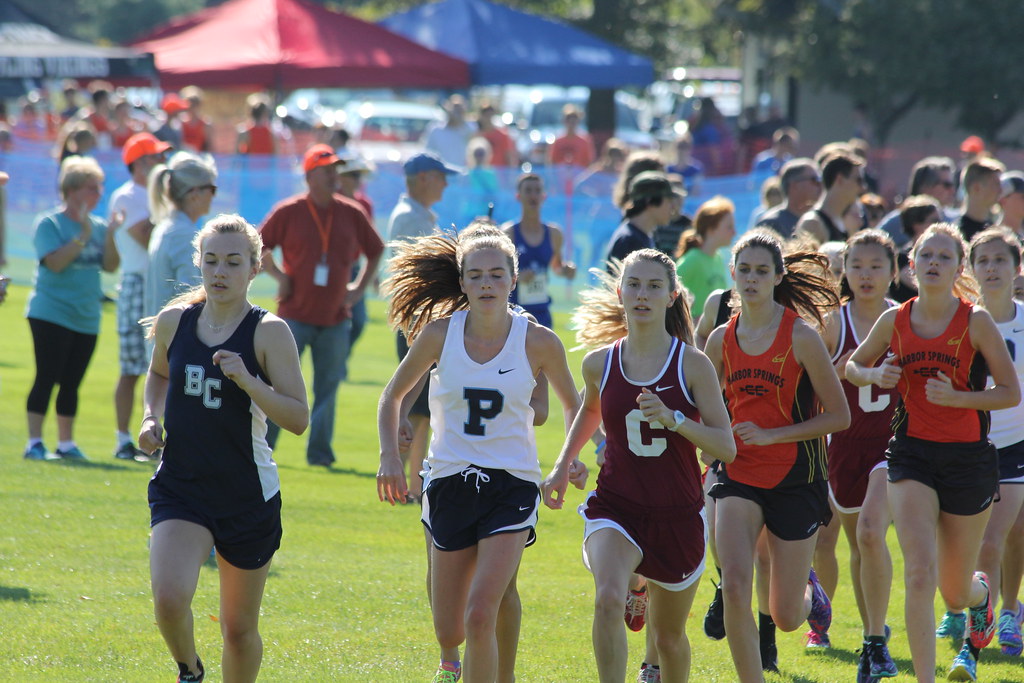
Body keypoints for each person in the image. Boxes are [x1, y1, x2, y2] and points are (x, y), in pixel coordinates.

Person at [376, 225, 584, 683]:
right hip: (448, 479)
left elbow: (576, 404)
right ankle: (451, 660)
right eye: (476, 276)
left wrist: (567, 460)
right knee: (449, 627)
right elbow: (391, 397)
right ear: (463, 282)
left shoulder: (538, 341)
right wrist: (390, 455)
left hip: (512, 485)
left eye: (496, 275)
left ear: (513, 280)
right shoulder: (438, 335)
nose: (486, 284)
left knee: (481, 612)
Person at [543, 248, 735, 683]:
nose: (642, 294)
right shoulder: (598, 363)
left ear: (671, 296)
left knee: (668, 640)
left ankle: (642, 588)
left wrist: (676, 419)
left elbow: (726, 447)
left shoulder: (693, 364)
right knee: (607, 599)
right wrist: (562, 464)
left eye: (653, 286)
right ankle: (631, 591)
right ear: (620, 291)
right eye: (634, 284)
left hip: (678, 515)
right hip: (617, 505)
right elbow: (589, 412)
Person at [138, 214, 308, 683]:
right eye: (211, 261)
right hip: (182, 487)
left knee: (238, 630)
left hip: (246, 496)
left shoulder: (268, 331)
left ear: (255, 268)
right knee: (169, 600)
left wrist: (248, 380)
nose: (220, 272)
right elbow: (158, 374)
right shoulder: (175, 322)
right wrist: (150, 416)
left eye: (233, 262)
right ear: (198, 263)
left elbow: (297, 419)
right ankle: (190, 670)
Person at [846, 222, 1019, 682]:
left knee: (955, 590)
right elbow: (852, 364)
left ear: (959, 267)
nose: (935, 264)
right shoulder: (895, 320)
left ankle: (981, 597)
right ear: (912, 265)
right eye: (927, 256)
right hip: (911, 456)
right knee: (919, 574)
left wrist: (959, 398)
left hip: (967, 460)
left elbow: (1009, 392)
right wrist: (873, 376)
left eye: (945, 257)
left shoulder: (975, 321)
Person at [704, 230, 850, 682]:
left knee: (785, 616)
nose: (751, 279)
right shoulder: (718, 341)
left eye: (761, 271)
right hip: (738, 473)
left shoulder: (802, 337)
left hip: (796, 479)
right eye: (743, 270)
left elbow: (839, 416)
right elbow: (707, 411)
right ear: (732, 275)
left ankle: (810, 591)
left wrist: (773, 436)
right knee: (734, 584)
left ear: (778, 276)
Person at [259, 144, 384, 467]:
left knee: (327, 389)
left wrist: (358, 289)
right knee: (280, 385)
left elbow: (376, 249)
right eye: (327, 170)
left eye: (335, 170)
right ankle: (264, 448)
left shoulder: (351, 211)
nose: (334, 176)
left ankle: (319, 455)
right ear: (310, 175)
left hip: (334, 317)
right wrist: (278, 275)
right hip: (294, 315)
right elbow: (257, 245)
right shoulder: (289, 210)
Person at [820, 230, 900, 679]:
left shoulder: (903, 318)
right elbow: (814, 381)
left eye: (875, 266)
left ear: (893, 271)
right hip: (844, 446)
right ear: (843, 271)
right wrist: (853, 370)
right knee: (858, 543)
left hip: (892, 447)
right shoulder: (835, 321)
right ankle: (875, 628)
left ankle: (874, 642)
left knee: (871, 534)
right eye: (857, 266)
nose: (865, 275)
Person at [24, 156, 121, 461]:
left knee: (71, 383)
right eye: (93, 188)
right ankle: (34, 443)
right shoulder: (49, 223)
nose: (99, 194)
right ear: (73, 190)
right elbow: (54, 263)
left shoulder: (100, 226)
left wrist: (113, 235)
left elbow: (109, 266)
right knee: (46, 376)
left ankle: (65, 444)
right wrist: (81, 237)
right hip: (50, 313)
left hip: (86, 317)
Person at [960, 228, 1024, 659]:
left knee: (1004, 535)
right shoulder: (961, 322)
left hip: (1017, 445)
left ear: (1016, 268)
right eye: (982, 260)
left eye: (1000, 260)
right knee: (972, 539)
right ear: (970, 269)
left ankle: (995, 618)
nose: (991, 268)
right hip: (968, 446)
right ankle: (978, 605)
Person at [388, 152, 462, 497]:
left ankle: (407, 480)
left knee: (418, 407)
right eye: (440, 176)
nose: (446, 183)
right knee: (418, 408)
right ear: (422, 178)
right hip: (418, 323)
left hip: (418, 322)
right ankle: (412, 485)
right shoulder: (411, 220)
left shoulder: (415, 216)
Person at [111, 133, 171, 461]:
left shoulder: (149, 196)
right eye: (155, 158)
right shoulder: (130, 195)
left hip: (152, 283)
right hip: (136, 283)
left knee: (155, 364)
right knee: (134, 366)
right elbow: (144, 235)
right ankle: (123, 438)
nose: (162, 164)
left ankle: (146, 439)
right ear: (141, 163)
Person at [145, 152, 218, 321]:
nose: (213, 196)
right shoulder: (183, 236)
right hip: (177, 341)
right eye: (211, 189)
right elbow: (192, 297)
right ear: (194, 193)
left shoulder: (168, 228)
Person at [504, 173, 576, 328]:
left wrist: (566, 270)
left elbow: (556, 266)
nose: (533, 196)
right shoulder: (508, 233)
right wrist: (518, 277)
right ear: (518, 196)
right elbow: (499, 272)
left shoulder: (554, 233)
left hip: (541, 311)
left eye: (537, 191)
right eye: (528, 190)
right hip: (512, 311)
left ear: (544, 196)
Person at [675, 196, 735, 319]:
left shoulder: (718, 257)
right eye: (729, 227)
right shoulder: (692, 259)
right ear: (712, 229)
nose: (734, 232)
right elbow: (669, 291)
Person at [604, 172, 676, 268]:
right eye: (669, 201)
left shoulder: (643, 236)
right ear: (650, 201)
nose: (673, 207)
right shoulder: (629, 240)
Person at [794, 150, 865, 245]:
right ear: (840, 180)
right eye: (859, 180)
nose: (863, 187)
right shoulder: (812, 224)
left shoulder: (847, 223)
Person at [754, 158, 821, 239]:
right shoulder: (770, 224)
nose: (819, 184)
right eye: (814, 180)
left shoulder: (821, 221)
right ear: (795, 185)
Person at [958, 157, 1005, 242]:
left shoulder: (994, 231)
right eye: (995, 184)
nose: (1000, 190)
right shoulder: (958, 234)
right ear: (976, 188)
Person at [425, 95, 473, 168]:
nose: (457, 111)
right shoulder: (436, 130)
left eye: (460, 108)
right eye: (454, 107)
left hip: (463, 174)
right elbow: (429, 153)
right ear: (447, 108)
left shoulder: (470, 129)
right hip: (441, 174)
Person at [180, 86, 212, 153]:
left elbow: (209, 146)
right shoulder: (181, 122)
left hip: (199, 157)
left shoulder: (205, 123)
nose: (191, 108)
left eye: (194, 104)